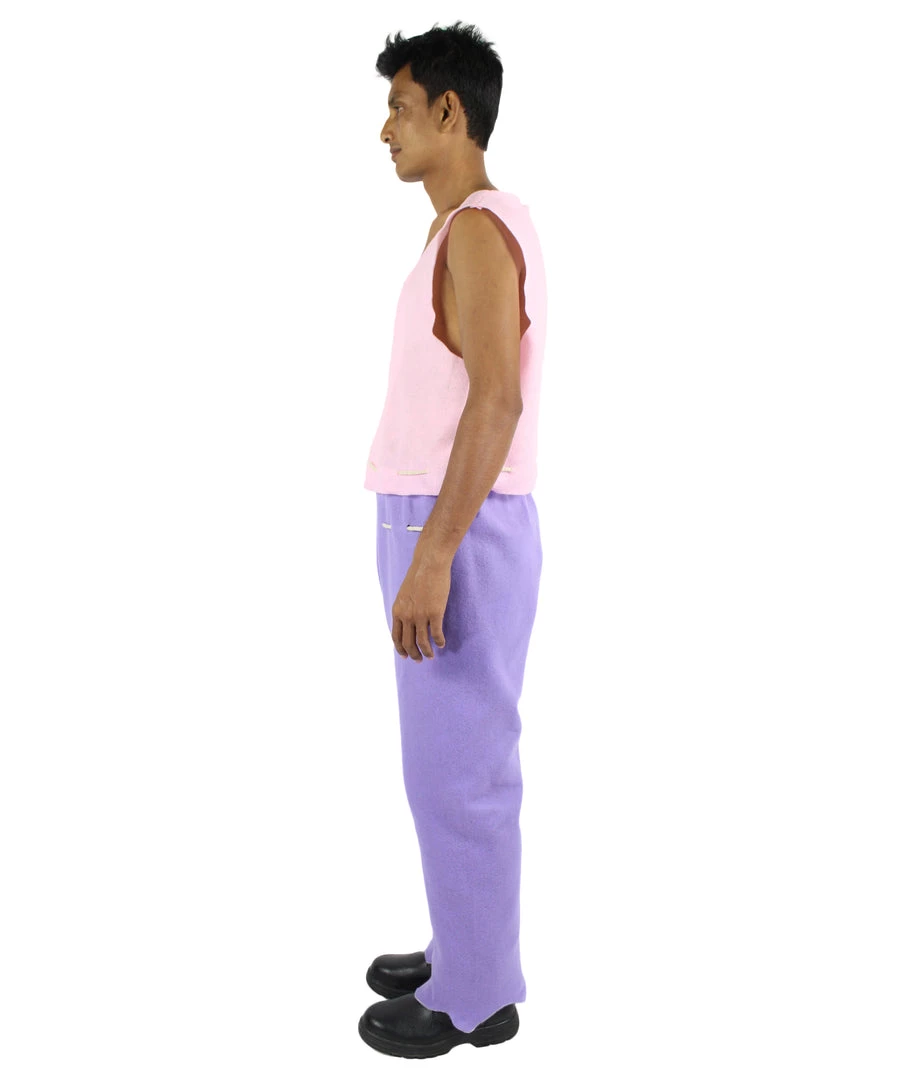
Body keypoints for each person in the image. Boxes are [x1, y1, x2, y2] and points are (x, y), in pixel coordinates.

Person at [357, 20, 547, 1059]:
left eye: (399, 106)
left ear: (449, 111)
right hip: (440, 519)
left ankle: (476, 1000)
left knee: (458, 772)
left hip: (455, 528)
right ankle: (463, 948)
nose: (384, 128)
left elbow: (496, 401)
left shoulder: (475, 229)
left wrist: (432, 554)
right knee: (445, 765)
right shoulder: (456, 231)